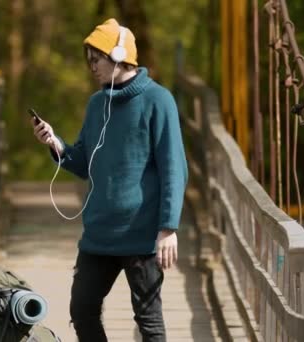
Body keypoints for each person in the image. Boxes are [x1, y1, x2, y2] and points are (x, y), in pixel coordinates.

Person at [30, 18, 188, 342]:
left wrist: (168, 228)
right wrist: (55, 144)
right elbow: (85, 162)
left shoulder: (159, 101)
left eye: (96, 59)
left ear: (118, 55)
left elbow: (175, 168)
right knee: (81, 310)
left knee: (149, 323)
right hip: (99, 235)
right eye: (88, 60)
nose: (91, 67)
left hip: (142, 237)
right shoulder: (96, 104)